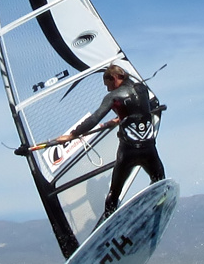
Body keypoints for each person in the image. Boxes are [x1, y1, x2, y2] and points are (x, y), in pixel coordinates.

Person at [54, 64, 165, 218]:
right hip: (149, 150)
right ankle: (158, 208)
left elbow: (94, 118)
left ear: (114, 78)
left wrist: (72, 134)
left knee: (114, 193)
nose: (108, 89)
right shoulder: (142, 88)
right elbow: (146, 107)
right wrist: (121, 119)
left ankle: (108, 218)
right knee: (159, 181)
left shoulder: (113, 96)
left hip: (128, 152)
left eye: (108, 85)